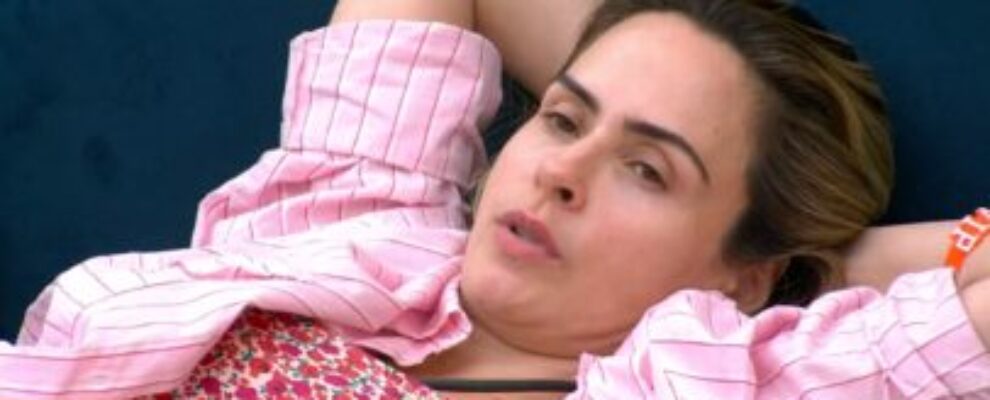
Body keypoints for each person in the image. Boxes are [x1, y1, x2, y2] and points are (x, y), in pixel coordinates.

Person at [1, 0, 988, 398]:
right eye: (563, 116)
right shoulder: (353, 222)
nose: (559, 171)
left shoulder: (699, 387)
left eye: (647, 170)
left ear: (745, 275)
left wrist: (832, 265)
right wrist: (662, 45)